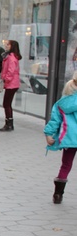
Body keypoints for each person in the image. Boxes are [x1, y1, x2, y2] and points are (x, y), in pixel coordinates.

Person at [44, 71, 77, 204]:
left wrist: (48, 134)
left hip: (69, 140)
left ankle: (58, 194)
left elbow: (54, 121)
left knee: (66, 165)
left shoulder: (61, 103)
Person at [0, 40, 21, 132]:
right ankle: (9, 123)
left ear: (12, 46)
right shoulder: (10, 56)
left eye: (8, 44)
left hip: (11, 83)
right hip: (12, 83)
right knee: (7, 104)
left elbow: (10, 71)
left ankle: (9, 123)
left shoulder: (11, 58)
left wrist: (5, 79)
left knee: (6, 104)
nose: (6, 46)